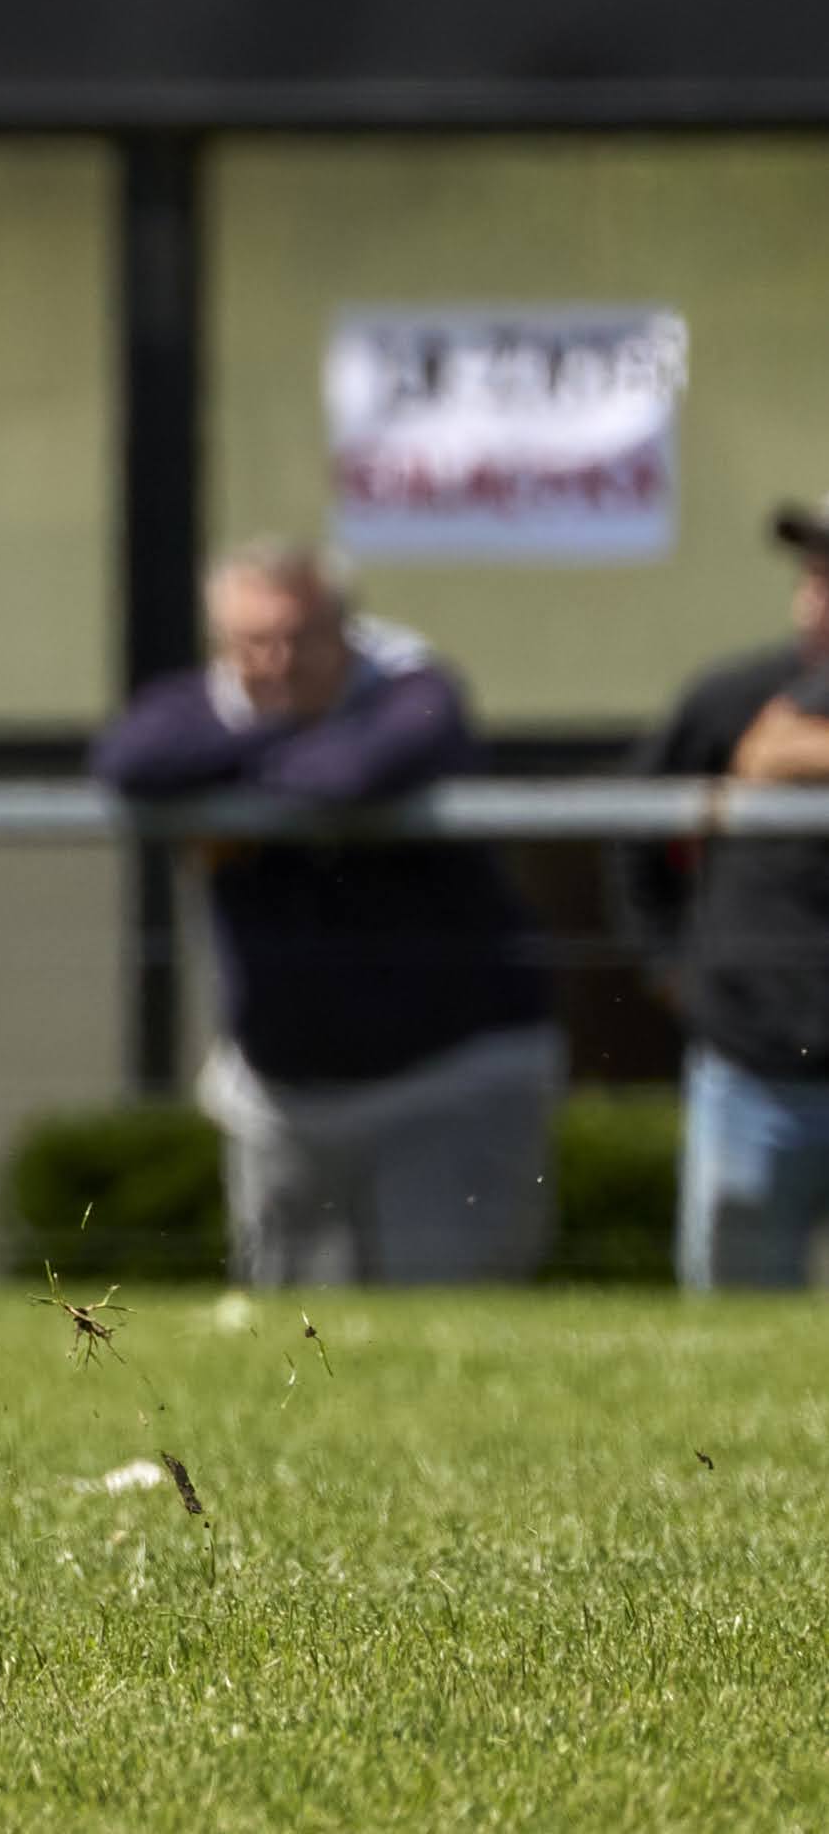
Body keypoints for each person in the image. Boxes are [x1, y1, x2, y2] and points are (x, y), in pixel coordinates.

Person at [92, 540, 558, 1287]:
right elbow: (128, 759)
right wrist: (278, 746)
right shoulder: (201, 701)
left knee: (452, 1335)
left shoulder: (418, 691)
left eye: (297, 638)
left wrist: (225, 775)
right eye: (251, 643)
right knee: (295, 1353)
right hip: (285, 1100)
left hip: (449, 1081)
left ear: (344, 630)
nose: (275, 662)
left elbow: (344, 777)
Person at [620, 490, 829, 1289]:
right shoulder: (734, 696)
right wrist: (669, 964)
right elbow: (632, 826)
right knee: (734, 1325)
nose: (817, 593)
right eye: (813, 572)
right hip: (754, 1069)